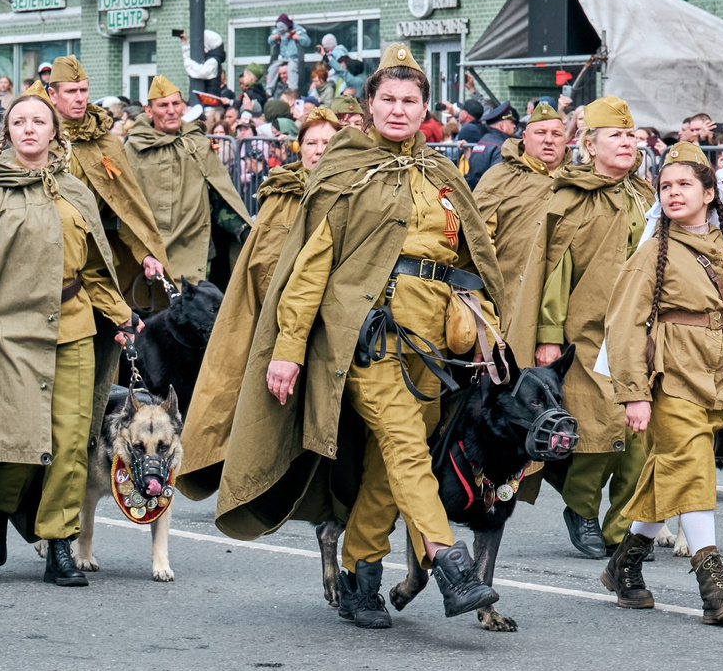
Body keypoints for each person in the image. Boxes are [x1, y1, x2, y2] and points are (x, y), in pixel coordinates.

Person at [213, 44, 507, 628]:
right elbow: (308, 270)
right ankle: (449, 562)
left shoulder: (442, 174)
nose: (399, 110)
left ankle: (359, 576)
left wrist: (487, 330)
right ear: (368, 104)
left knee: (390, 464)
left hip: (435, 342)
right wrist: (288, 351)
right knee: (403, 445)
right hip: (368, 337)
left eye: (410, 100)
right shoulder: (345, 172)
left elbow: (475, 260)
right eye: (388, 99)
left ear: (427, 108)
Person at [0, 89, 131, 583]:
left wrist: (122, 315)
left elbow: (92, 266)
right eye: (18, 121)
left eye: (38, 121)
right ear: (7, 133)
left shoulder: (75, 191)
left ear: (53, 132)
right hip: (9, 333)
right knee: (22, 439)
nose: (28, 128)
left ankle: (59, 543)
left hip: (74, 325)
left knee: (69, 441)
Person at [608, 141, 723, 622]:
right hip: (671, 377)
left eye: (685, 184)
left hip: (720, 377)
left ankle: (624, 564)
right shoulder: (653, 252)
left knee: (671, 470)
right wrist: (632, 393)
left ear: (710, 193)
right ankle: (714, 584)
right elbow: (624, 323)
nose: (673, 192)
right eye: (666, 186)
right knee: (692, 469)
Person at [509, 95, 655, 561]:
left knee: (639, 440)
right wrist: (548, 337)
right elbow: (554, 271)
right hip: (587, 336)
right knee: (596, 434)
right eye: (615, 135)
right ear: (590, 146)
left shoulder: (646, 195)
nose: (626, 143)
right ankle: (581, 508)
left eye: (631, 135)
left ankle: (620, 528)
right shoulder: (571, 198)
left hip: (642, 335)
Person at [179, 106, 339, 503]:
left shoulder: (353, 190)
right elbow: (261, 263)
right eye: (311, 143)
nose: (318, 150)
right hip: (281, 314)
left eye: (328, 142)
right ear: (299, 149)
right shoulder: (281, 196)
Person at [45, 54, 171, 305]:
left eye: (83, 90)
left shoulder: (105, 142)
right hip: (46, 253)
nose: (80, 98)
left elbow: (124, 205)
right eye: (71, 91)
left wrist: (145, 253)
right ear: (52, 95)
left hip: (94, 258)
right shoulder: (37, 136)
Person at [123, 74, 249, 291]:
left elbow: (219, 197)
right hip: (153, 254)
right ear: (148, 110)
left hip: (197, 252)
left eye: (176, 104)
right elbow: (125, 207)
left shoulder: (197, 144)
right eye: (163, 105)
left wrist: (244, 230)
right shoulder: (133, 150)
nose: (171, 110)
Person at [471, 101, 569, 253]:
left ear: (565, 139)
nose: (549, 140)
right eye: (540, 133)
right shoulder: (499, 177)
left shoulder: (577, 181)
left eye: (556, 134)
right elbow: (478, 235)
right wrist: (492, 275)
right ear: (524, 137)